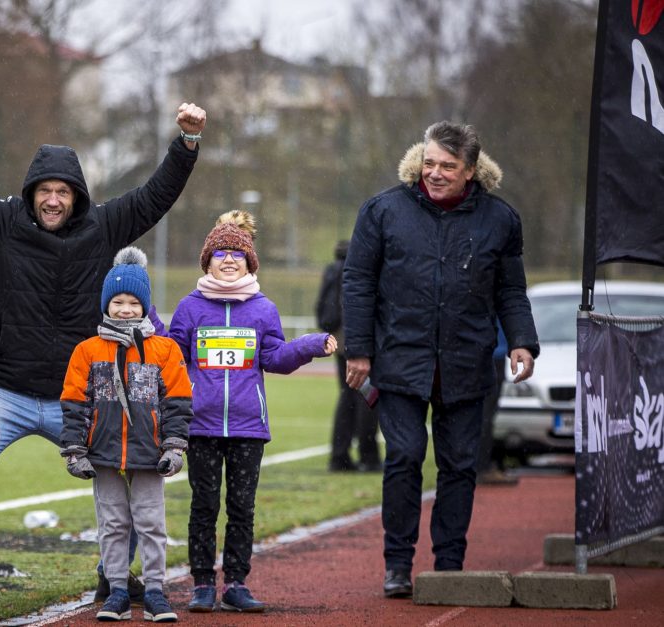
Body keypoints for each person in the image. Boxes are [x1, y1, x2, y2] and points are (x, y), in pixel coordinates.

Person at [0, 84, 206, 603]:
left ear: (76, 196)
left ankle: (113, 574)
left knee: (121, 472)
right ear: (31, 191)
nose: (54, 199)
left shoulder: (103, 227)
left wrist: (186, 141)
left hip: (76, 396)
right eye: (45, 190)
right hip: (4, 391)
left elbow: (156, 194)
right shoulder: (0, 223)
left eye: (64, 191)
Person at [342, 121, 539, 598]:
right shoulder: (383, 210)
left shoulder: (500, 219)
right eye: (429, 163)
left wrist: (522, 341)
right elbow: (358, 281)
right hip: (399, 361)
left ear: (470, 170)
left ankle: (449, 563)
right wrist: (360, 350)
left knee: (459, 465)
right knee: (404, 456)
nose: (434, 173)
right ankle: (398, 564)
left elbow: (511, 289)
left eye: (447, 167)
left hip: (467, 362)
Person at [169, 211, 338, 613]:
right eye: (220, 254)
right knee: (204, 506)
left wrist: (310, 345)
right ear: (207, 261)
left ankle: (236, 584)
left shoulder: (263, 310)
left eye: (237, 254)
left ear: (250, 262)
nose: (229, 260)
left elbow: (276, 357)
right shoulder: (190, 308)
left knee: (242, 507)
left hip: (248, 428)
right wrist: (149, 326)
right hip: (202, 426)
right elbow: (171, 356)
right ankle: (203, 585)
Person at [60, 247, 192, 623]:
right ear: (106, 304)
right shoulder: (86, 351)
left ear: (146, 306)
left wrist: (174, 446)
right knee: (112, 525)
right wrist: (74, 450)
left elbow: (178, 402)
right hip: (102, 456)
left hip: (150, 456)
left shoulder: (165, 350)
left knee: (151, 524)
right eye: (117, 301)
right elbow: (74, 402)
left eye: (133, 302)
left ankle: (155, 591)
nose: (125, 309)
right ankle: (117, 590)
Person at [315, 239, 382, 472]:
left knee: (347, 396)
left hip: (337, 337)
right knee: (368, 397)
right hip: (356, 339)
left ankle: (339, 456)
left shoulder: (333, 270)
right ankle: (368, 456)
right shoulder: (357, 269)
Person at [476, 325, 517, 485]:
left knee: (483, 413)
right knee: (485, 414)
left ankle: (479, 465)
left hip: (488, 350)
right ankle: (482, 467)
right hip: (492, 352)